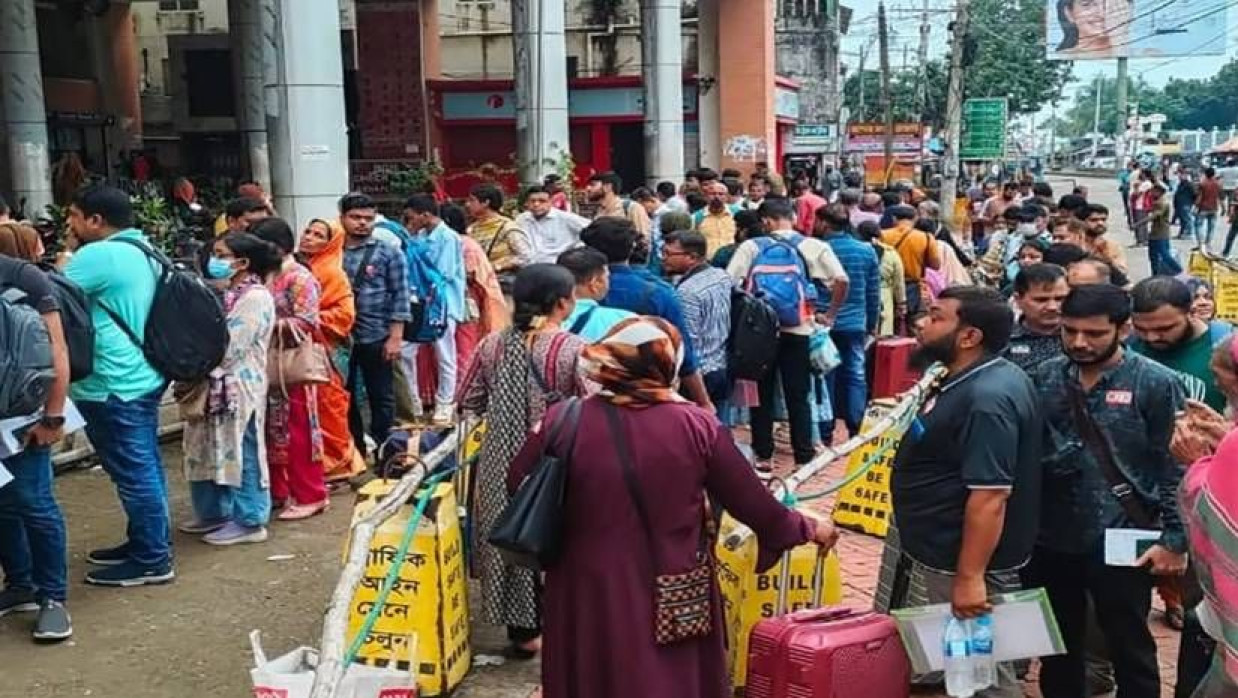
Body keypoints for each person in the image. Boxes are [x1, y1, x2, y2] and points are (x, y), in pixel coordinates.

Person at [507, 316, 839, 698]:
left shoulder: (564, 419)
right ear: (667, 364)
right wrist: (807, 527)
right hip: (670, 585)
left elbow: (519, 481)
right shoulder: (696, 426)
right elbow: (757, 508)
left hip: (582, 585)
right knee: (666, 677)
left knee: (587, 674)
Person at [1026, 284, 1187, 698]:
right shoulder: (1045, 376)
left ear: (1124, 329)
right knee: (1058, 645)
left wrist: (1174, 539)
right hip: (1052, 535)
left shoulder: (1156, 382)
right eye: (1070, 331)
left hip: (1123, 534)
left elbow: (1173, 465)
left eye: (1094, 333)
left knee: (1128, 642)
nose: (1080, 342)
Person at [890, 286, 1042, 698]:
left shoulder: (987, 398)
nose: (922, 323)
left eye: (936, 316)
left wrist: (970, 578)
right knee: (969, 665)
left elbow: (990, 495)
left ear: (969, 336)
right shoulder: (976, 377)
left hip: (966, 559)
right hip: (946, 552)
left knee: (982, 673)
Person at [458, 264, 590, 658]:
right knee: (562, 535)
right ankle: (566, 623)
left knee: (514, 534)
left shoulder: (491, 345)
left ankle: (524, 631)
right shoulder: (574, 349)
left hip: (501, 462)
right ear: (564, 302)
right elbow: (594, 406)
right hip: (559, 459)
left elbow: (469, 401)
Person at [62, 186, 174, 587]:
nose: (69, 225)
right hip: (143, 375)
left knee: (133, 470)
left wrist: (63, 262)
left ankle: (151, 559)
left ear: (95, 220)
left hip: (112, 382)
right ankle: (148, 542)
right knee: (145, 465)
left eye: (74, 217)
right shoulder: (144, 249)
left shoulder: (97, 256)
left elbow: (49, 297)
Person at [727, 198, 849, 470]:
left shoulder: (751, 246)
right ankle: (803, 455)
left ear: (766, 221)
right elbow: (842, 280)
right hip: (799, 329)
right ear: (792, 217)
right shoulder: (815, 246)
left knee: (762, 394)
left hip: (760, 333)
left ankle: (763, 455)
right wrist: (829, 315)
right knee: (799, 394)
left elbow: (730, 283)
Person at [179, 232, 277, 544]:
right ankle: (214, 512)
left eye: (222, 254)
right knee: (206, 445)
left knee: (242, 449)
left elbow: (230, 345)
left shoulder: (255, 298)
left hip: (239, 385)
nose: (215, 260)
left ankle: (250, 519)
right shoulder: (230, 294)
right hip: (217, 383)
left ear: (243, 263)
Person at [0, 223, 73, 640]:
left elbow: (56, 347)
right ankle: (20, 584)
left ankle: (53, 598)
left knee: (35, 502)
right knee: (4, 506)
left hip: (25, 414)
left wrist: (54, 415)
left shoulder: (24, 275)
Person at [582, 216, 714, 411]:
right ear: (631, 248)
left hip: (586, 391)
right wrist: (703, 401)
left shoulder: (570, 291)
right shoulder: (657, 293)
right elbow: (684, 354)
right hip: (647, 395)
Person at [249, 218, 330, 519]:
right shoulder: (266, 277)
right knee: (272, 432)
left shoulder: (299, 278)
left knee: (299, 431)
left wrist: (263, 326)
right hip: (267, 364)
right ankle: (280, 490)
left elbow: (307, 321)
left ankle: (311, 493)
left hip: (291, 367)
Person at [296, 218, 366, 485]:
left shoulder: (332, 273)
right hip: (308, 350)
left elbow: (345, 316)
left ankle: (340, 463)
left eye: (318, 235)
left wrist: (308, 317)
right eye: (308, 231)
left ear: (331, 242)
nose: (309, 237)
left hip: (328, 351)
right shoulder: (303, 268)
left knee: (331, 407)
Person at [340, 194, 410, 455]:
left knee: (381, 396)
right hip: (341, 338)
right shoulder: (331, 252)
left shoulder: (389, 253)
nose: (362, 223)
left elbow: (400, 296)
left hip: (377, 335)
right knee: (344, 398)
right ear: (342, 218)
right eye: (355, 217)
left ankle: (386, 450)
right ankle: (354, 451)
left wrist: (395, 337)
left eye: (368, 219)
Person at [813, 204, 879, 437]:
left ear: (825, 224)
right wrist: (872, 322)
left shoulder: (816, 250)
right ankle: (856, 425)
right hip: (855, 323)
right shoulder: (866, 251)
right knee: (855, 373)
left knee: (824, 374)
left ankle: (825, 427)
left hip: (821, 322)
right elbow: (873, 291)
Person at [401, 195, 468, 424]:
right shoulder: (418, 236)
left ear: (425, 215)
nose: (409, 222)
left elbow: (444, 272)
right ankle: (412, 400)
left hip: (442, 303)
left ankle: (445, 403)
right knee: (406, 351)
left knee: (444, 353)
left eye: (412, 217)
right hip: (419, 302)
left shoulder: (448, 238)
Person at [1129, 276, 1233, 413]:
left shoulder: (1226, 348)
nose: (1151, 337)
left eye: (1164, 329)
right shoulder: (1128, 347)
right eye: (1140, 329)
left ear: (1192, 313)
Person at [661, 230, 733, 416]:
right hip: (721, 364)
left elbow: (688, 341)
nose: (664, 258)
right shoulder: (721, 276)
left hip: (699, 376)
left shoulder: (687, 293)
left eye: (669, 254)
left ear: (692, 258)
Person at [558, 246, 635, 341]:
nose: (608, 281)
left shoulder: (542, 320)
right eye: (607, 276)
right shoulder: (625, 320)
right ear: (595, 282)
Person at [881, 204, 941, 321]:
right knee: (915, 322)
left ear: (894, 218)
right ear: (915, 219)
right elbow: (936, 265)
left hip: (887, 286)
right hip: (912, 286)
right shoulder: (926, 238)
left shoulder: (883, 235)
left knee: (888, 322)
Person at [1003, 263, 1068, 371]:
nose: (1052, 307)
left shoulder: (1085, 337)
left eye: (1060, 299)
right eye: (1041, 300)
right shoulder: (1001, 340)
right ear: (1018, 300)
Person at [466, 184, 530, 282]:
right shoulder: (472, 229)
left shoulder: (507, 227)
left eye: (472, 200)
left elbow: (525, 256)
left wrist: (497, 266)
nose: (468, 204)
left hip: (504, 282)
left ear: (485, 203)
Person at [516, 185, 589, 265]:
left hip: (558, 268)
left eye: (542, 201)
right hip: (529, 268)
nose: (536, 204)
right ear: (527, 203)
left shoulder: (566, 218)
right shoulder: (521, 219)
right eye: (532, 201)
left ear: (550, 202)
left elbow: (594, 230)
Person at [586, 171, 651, 239]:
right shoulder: (597, 211)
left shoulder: (631, 208)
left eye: (593, 185)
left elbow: (643, 239)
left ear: (607, 187)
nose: (588, 188)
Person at [1075, 203, 1129, 274]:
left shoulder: (1111, 246)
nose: (1100, 223)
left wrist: (1104, 255)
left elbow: (1122, 272)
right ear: (1080, 222)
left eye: (1103, 220)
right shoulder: (1073, 245)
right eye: (1094, 220)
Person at [1145, 184, 1182, 276]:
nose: (1151, 193)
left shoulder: (1162, 203)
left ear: (1159, 192)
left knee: (1165, 256)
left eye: (1153, 191)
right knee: (1154, 257)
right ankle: (1155, 275)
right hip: (1156, 233)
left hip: (1160, 234)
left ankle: (1180, 272)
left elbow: (1154, 216)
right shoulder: (1157, 201)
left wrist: (1137, 224)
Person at [693, 180, 738, 258]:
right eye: (713, 194)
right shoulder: (697, 217)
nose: (717, 197)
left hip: (733, 260)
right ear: (706, 196)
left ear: (727, 197)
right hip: (708, 262)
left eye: (721, 194)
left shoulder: (737, 213)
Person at [1198, 167, 1222, 251]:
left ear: (1205, 174)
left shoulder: (1203, 183)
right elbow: (1220, 196)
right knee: (1211, 227)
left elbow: (1200, 197)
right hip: (1214, 207)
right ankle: (1208, 243)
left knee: (1199, 225)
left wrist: (1196, 206)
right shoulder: (1218, 184)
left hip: (1204, 207)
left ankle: (1201, 243)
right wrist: (1223, 207)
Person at [1173, 169, 1198, 243]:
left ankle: (1188, 233)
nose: (1180, 176)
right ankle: (1182, 233)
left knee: (1187, 219)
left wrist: (1193, 203)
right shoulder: (1181, 184)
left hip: (1186, 204)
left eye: (1182, 175)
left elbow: (1194, 194)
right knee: (1182, 220)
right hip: (1180, 204)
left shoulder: (1189, 184)